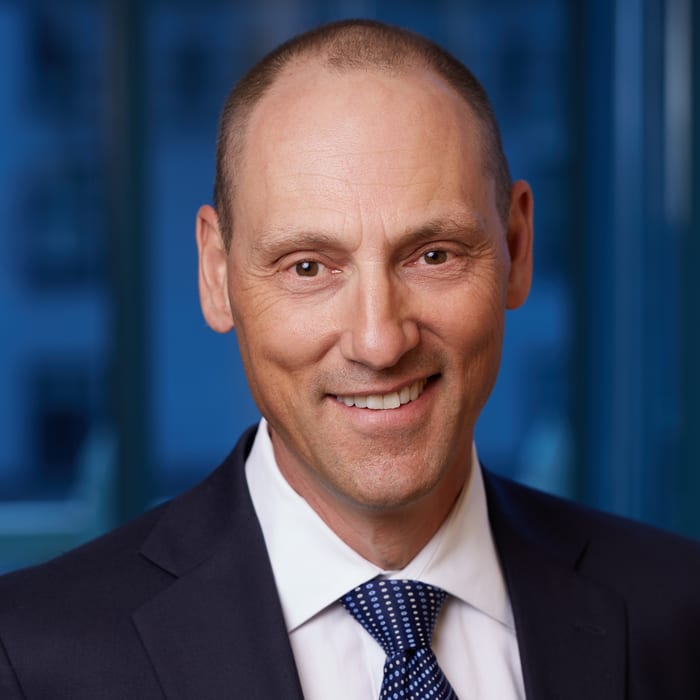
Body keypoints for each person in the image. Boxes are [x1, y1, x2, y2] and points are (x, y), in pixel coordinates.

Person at [1, 18, 699, 700]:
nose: (379, 341)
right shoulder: (32, 659)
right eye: (308, 267)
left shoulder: (680, 612)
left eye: (433, 255)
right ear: (216, 274)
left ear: (516, 246)